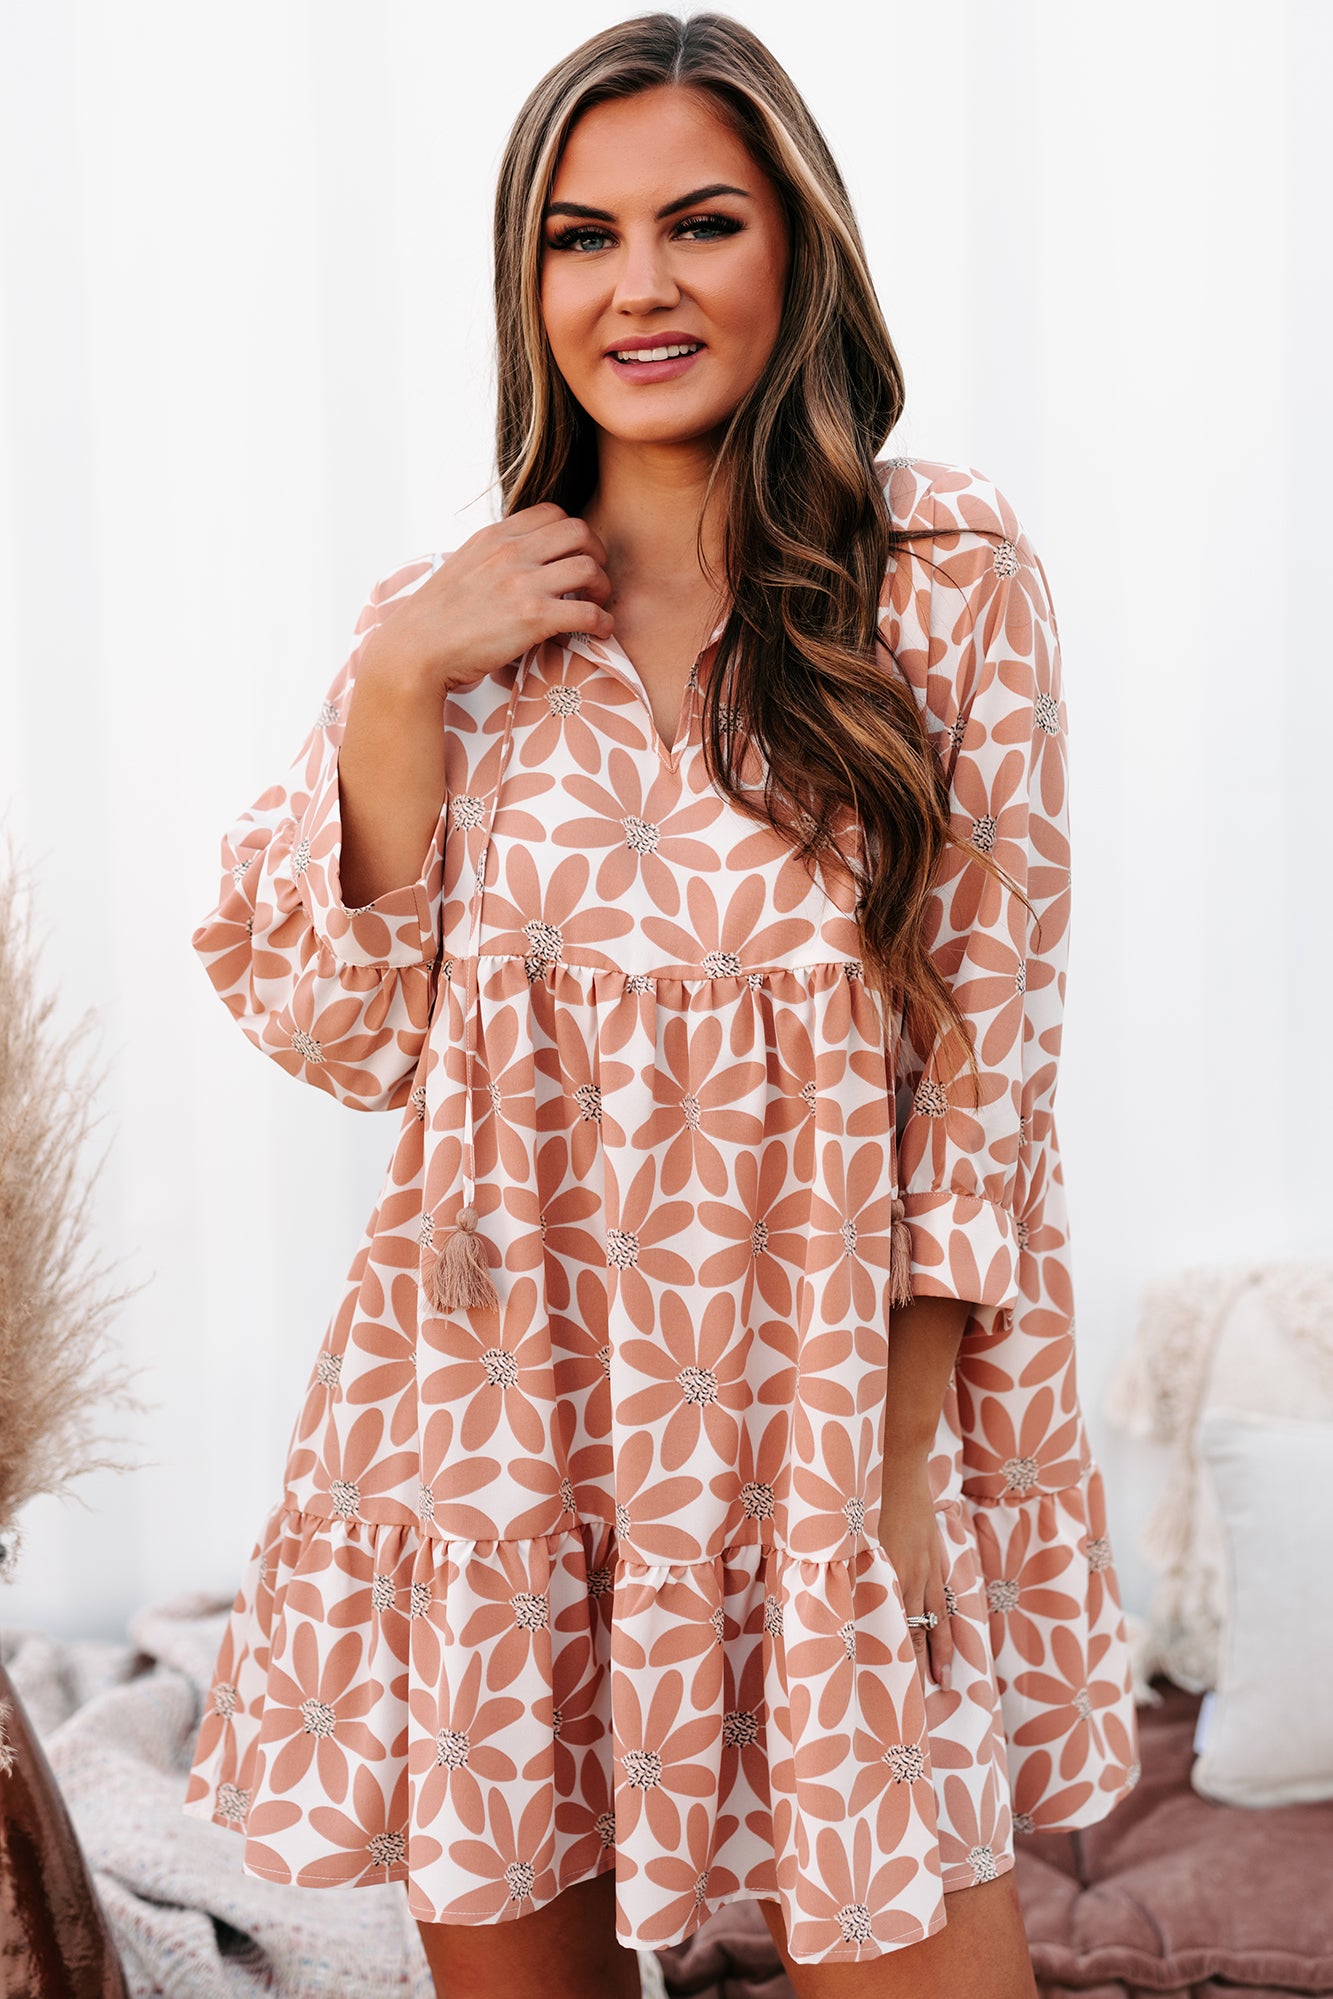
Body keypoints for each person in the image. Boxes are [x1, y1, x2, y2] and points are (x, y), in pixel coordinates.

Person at [183, 12, 1141, 1997]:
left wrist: (893, 1469)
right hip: (493, 1433)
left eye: (697, 223)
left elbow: (985, 1066)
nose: (636, 286)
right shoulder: (445, 627)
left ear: (795, 248)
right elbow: (346, 1038)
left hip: (828, 1425)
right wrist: (399, 683)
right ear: (524, 282)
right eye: (578, 236)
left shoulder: (941, 577)